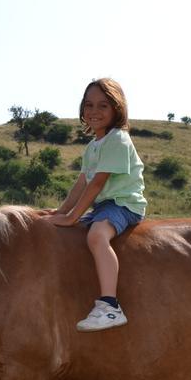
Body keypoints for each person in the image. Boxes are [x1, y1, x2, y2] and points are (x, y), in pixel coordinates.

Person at [43, 78, 146, 332]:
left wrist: (71, 217)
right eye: (89, 105)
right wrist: (60, 212)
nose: (94, 112)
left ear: (116, 109)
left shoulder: (118, 140)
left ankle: (110, 306)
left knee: (97, 236)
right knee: (69, 233)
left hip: (123, 204)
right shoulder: (92, 147)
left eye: (103, 106)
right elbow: (81, 185)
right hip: (103, 206)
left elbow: (97, 184)